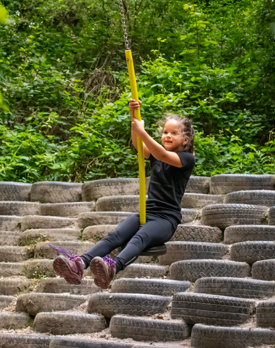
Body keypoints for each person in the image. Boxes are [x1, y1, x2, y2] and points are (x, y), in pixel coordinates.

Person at [50, 99, 196, 289]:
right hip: (147, 213)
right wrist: (133, 116)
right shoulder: (156, 152)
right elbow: (137, 144)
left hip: (165, 219)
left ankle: (112, 268)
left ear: (185, 140)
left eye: (173, 133)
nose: (167, 136)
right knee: (115, 236)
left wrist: (142, 131)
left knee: (139, 238)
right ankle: (79, 264)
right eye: (165, 132)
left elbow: (160, 154)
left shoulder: (185, 159)